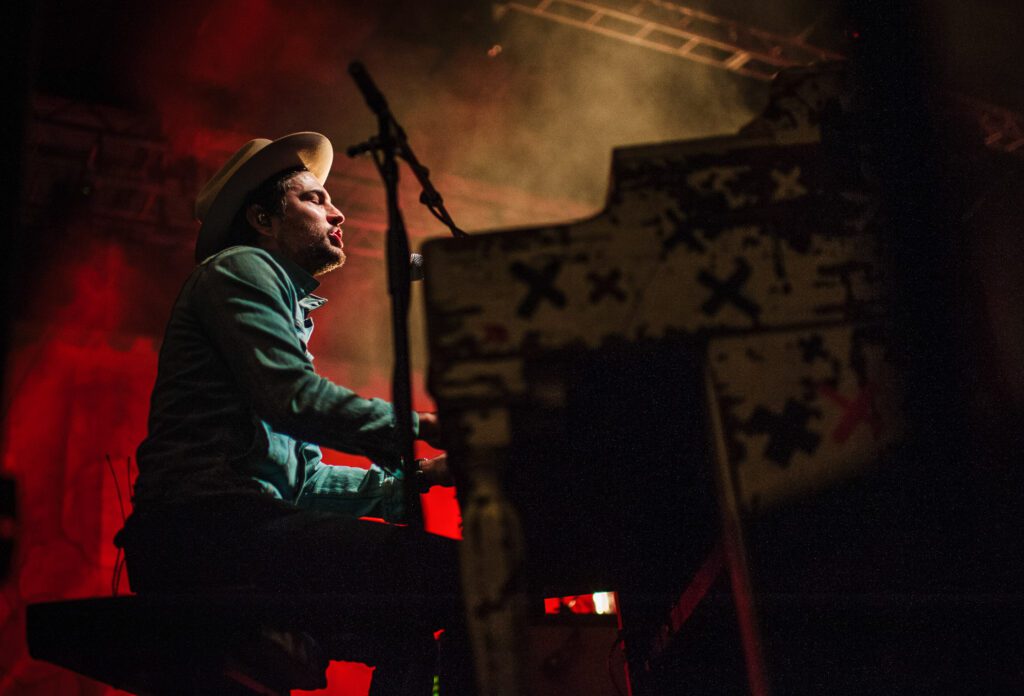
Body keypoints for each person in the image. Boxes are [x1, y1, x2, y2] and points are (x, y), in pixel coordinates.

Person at [115, 132, 471, 693]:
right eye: (314, 198)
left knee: (408, 625)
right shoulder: (240, 268)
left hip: (232, 529)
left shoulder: (276, 295)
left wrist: (422, 475)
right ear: (263, 218)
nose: (338, 211)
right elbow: (293, 397)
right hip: (206, 530)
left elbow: (303, 478)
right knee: (459, 581)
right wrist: (424, 428)